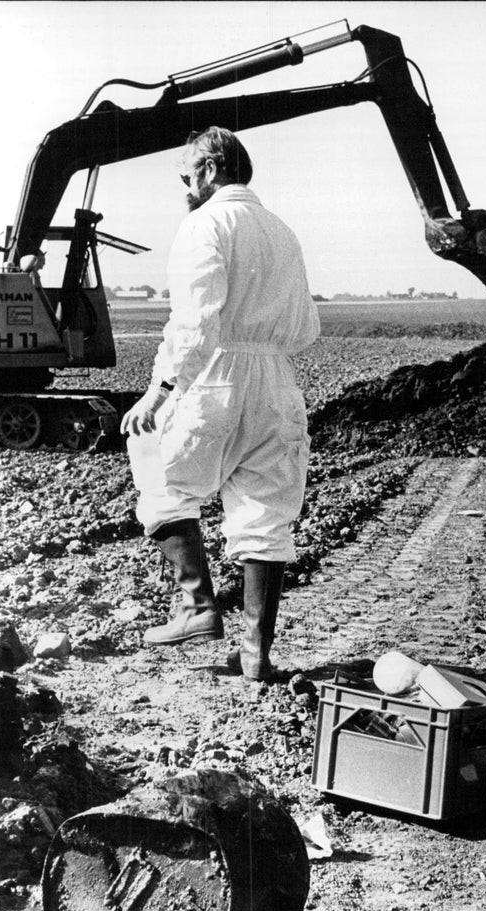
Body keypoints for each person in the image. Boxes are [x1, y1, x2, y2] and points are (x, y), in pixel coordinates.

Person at [121, 127, 320, 682]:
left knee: (158, 468)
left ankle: (197, 605)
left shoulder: (203, 224)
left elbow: (195, 319)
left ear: (210, 169)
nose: (185, 186)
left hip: (214, 376)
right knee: (264, 511)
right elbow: (307, 329)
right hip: (278, 380)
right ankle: (256, 654)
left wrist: (161, 391)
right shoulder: (282, 231)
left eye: (188, 175)